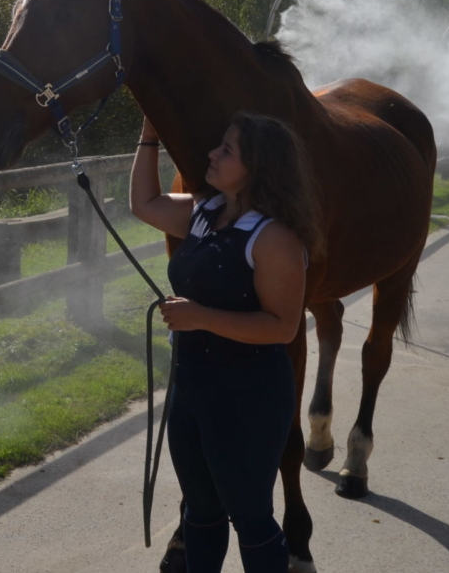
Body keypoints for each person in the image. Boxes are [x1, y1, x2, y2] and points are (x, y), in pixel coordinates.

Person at [129, 111, 321, 573]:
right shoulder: (203, 211)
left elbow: (282, 327)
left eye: (227, 150)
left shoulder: (273, 237)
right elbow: (144, 203)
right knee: (200, 510)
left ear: (257, 167)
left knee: (251, 517)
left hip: (248, 396)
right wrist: (149, 136)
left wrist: (201, 318)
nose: (212, 154)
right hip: (191, 390)